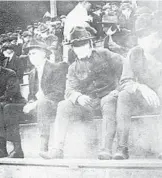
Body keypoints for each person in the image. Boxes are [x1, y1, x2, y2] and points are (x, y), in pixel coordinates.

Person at [40, 26, 123, 159]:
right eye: (76, 46)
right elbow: (69, 90)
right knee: (63, 105)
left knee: (108, 101)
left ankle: (106, 149)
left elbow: (125, 71)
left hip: (109, 97)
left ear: (90, 43)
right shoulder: (73, 67)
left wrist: (118, 90)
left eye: (83, 44)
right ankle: (57, 149)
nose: (80, 49)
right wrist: (78, 97)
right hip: (89, 103)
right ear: (72, 48)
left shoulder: (106, 54)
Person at [99, 13, 162, 160]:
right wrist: (140, 87)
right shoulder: (135, 53)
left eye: (149, 35)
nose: (144, 40)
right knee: (124, 95)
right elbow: (125, 81)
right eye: (141, 36)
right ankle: (122, 147)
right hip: (144, 99)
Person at [22, 39, 68, 154]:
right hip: (40, 106)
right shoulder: (32, 73)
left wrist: (36, 103)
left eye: (34, 53)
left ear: (43, 53)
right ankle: (15, 149)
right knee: (10, 107)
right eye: (29, 54)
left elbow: (58, 93)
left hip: (55, 104)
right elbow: (32, 95)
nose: (31, 56)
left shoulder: (56, 67)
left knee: (42, 104)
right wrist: (30, 103)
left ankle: (44, 146)